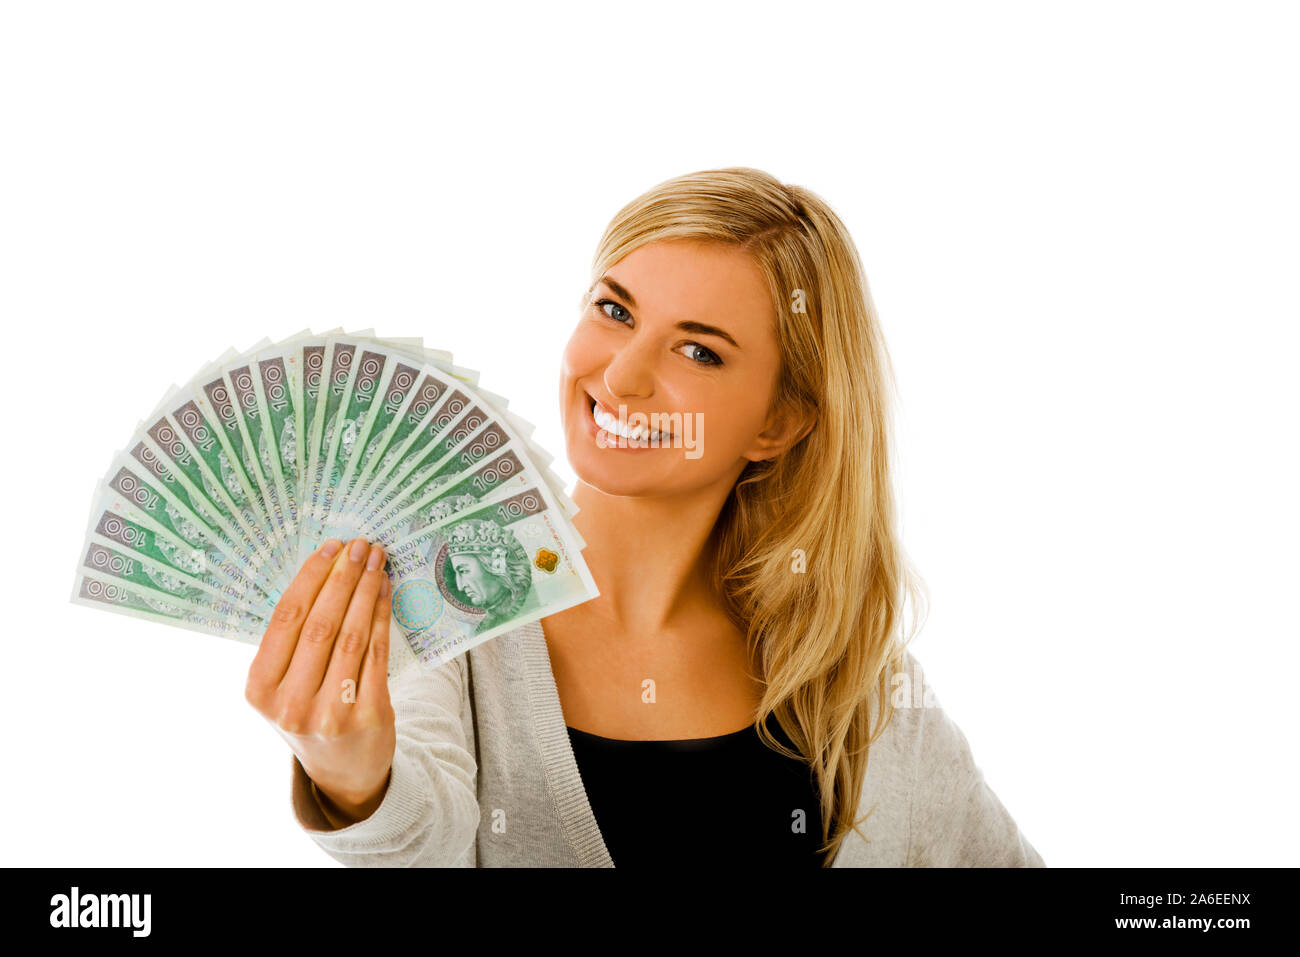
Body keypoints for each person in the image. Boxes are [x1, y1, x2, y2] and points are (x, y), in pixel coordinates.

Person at [244, 167, 1045, 867]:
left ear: (780, 422)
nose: (621, 376)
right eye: (615, 310)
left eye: (698, 351)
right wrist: (353, 777)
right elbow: (424, 847)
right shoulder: (451, 606)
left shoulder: (852, 684)